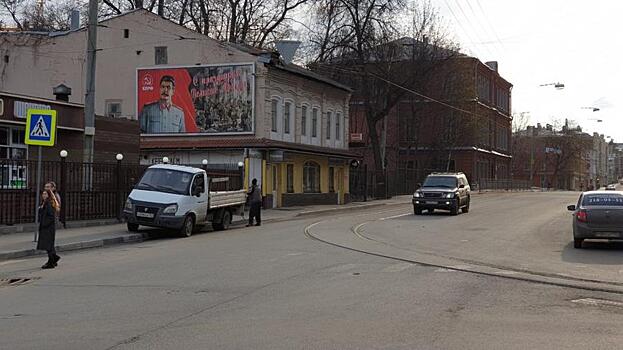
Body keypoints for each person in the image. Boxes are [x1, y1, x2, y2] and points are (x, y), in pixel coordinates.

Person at [37, 189, 61, 269]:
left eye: (45, 194)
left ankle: (51, 262)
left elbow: (51, 216)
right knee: (49, 246)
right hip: (46, 228)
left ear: (49, 195)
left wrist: (44, 224)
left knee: (48, 246)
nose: (43, 195)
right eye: (43, 194)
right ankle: (53, 259)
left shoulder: (49, 204)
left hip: (48, 228)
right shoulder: (44, 203)